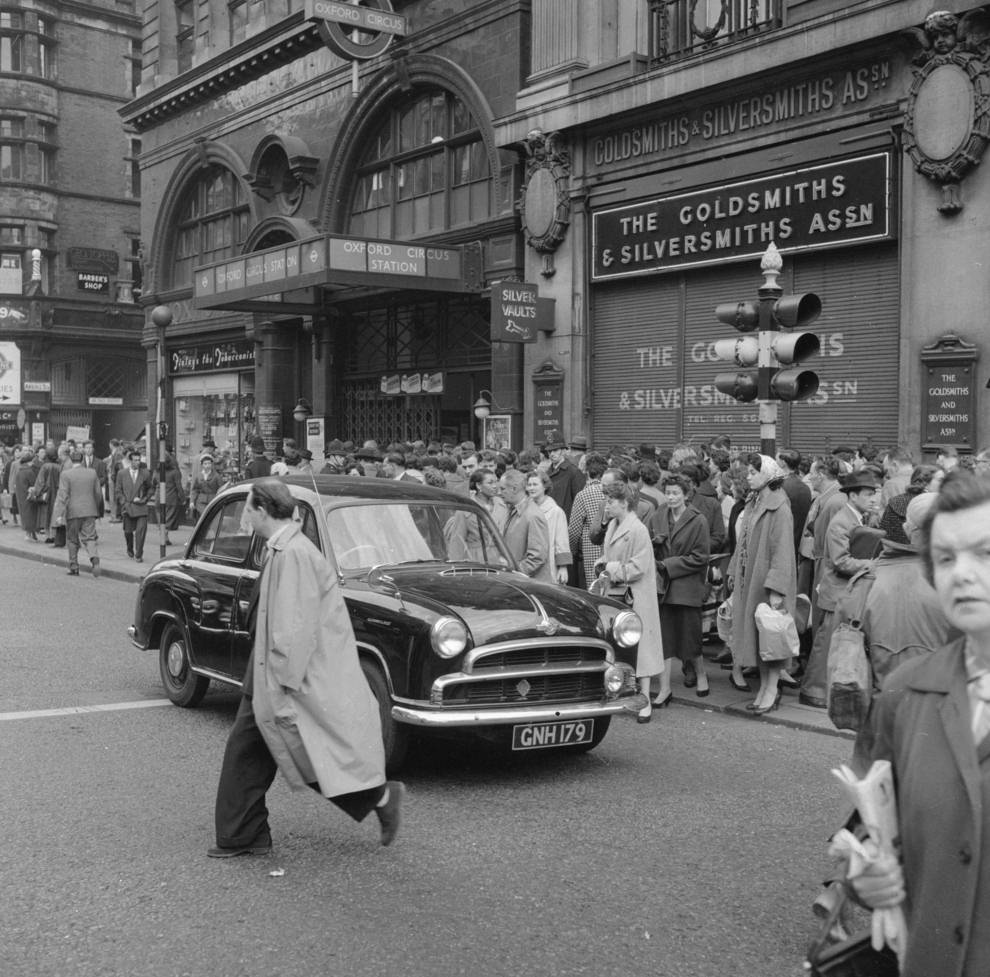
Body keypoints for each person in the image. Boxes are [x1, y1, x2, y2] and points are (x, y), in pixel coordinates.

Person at [845, 471, 990, 977]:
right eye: (946, 558)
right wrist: (865, 875)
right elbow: (871, 827)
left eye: (985, 553)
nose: (962, 574)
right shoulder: (905, 691)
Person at [211, 478, 402, 857]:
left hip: (279, 674)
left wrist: (280, 682)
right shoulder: (286, 547)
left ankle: (244, 834)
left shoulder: (293, 554)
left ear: (262, 510)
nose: (244, 516)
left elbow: (293, 625)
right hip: (269, 669)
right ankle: (246, 832)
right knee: (289, 750)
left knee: (278, 750)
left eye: (247, 508)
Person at [801, 469, 880, 708]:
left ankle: (820, 691)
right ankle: (813, 691)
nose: (873, 499)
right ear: (853, 496)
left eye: (874, 494)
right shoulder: (842, 521)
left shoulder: (855, 518)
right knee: (826, 645)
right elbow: (840, 561)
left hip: (843, 593)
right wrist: (871, 564)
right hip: (836, 593)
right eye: (868, 494)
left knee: (832, 644)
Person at [727, 454, 797, 714]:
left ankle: (771, 689)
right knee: (759, 639)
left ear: (767, 474)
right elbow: (743, 541)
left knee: (770, 638)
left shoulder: (779, 506)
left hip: (766, 583)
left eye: (753, 472)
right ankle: (765, 688)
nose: (748, 476)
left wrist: (776, 589)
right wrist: (733, 569)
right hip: (750, 580)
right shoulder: (753, 501)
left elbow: (783, 550)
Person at [597, 479, 664, 722]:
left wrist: (609, 567)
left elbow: (639, 567)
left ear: (624, 503)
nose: (607, 505)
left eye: (611, 501)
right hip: (616, 594)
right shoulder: (613, 525)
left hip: (636, 595)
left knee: (642, 649)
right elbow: (607, 556)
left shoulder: (638, 530)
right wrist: (602, 564)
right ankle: (622, 692)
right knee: (619, 645)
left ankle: (645, 699)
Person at [648, 473, 711, 703]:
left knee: (690, 636)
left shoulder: (698, 520)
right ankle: (665, 689)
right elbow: (647, 545)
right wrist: (654, 547)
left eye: (676, 493)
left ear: (686, 494)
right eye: (668, 493)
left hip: (687, 587)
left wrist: (668, 564)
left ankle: (701, 675)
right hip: (663, 587)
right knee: (665, 640)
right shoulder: (658, 515)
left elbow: (701, 557)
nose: (671, 497)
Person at [52, 449, 103, 577]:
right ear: (82, 460)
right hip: (89, 510)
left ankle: (74, 566)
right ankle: (94, 559)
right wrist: (96, 508)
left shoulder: (66, 474)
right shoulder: (92, 472)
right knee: (90, 537)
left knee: (72, 539)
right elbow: (98, 493)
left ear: (71, 460)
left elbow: (62, 496)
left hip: (73, 511)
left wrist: (59, 514)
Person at [498, 468, 553, 583]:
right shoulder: (512, 510)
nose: (499, 492)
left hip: (530, 586)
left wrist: (512, 570)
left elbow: (537, 558)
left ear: (514, 489)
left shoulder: (532, 515)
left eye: (503, 489)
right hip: (518, 583)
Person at [526, 469, 571, 584]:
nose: (531, 488)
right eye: (529, 485)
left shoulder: (555, 511)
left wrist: (563, 567)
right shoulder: (525, 509)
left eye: (535, 484)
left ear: (545, 486)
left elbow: (561, 541)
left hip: (548, 564)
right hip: (529, 564)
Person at [116, 448, 153, 562]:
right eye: (135, 460)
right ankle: (129, 548)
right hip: (128, 507)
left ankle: (139, 554)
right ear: (130, 461)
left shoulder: (145, 473)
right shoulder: (122, 474)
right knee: (128, 532)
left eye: (139, 460)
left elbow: (151, 488)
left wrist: (145, 499)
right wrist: (123, 501)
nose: (138, 462)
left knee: (140, 532)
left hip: (141, 507)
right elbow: (118, 490)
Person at [190, 454, 222, 520]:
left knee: (210, 519)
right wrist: (192, 501)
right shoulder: (199, 476)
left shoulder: (216, 476)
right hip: (200, 502)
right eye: (205, 464)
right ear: (202, 465)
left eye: (209, 463)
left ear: (212, 464)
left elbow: (221, 489)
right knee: (201, 519)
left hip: (212, 501)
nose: (207, 466)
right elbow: (195, 490)